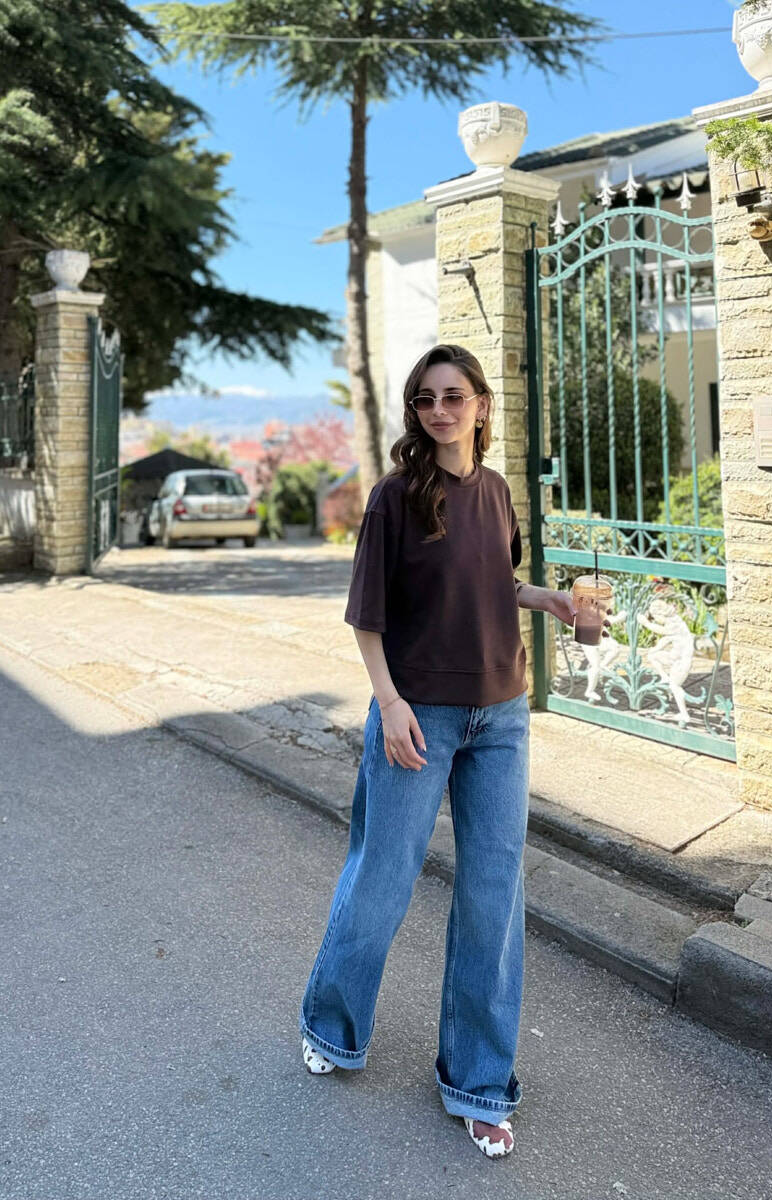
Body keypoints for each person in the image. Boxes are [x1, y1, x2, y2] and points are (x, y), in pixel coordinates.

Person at [298, 343, 577, 1159]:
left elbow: (493, 585)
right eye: (426, 399)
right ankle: (331, 1023)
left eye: (455, 396)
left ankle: (479, 1083)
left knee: (493, 895)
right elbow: (367, 616)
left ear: (482, 405)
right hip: (418, 716)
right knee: (382, 878)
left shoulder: (496, 491)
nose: (440, 410)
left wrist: (548, 600)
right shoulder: (395, 497)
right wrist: (389, 705)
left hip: (502, 716)